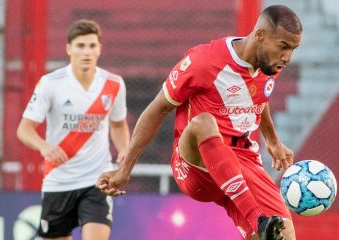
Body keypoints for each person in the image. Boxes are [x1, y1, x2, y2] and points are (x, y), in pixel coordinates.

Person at [97, 5, 301, 240]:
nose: (287, 57)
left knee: (284, 235)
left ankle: (260, 225)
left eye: (293, 49)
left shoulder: (270, 63)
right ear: (260, 35)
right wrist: (125, 170)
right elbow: (157, 108)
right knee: (204, 122)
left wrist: (272, 141)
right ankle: (258, 219)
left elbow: (257, 95)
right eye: (283, 47)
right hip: (196, 165)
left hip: (243, 159)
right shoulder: (204, 61)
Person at [17, 19, 130, 240]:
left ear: (99, 49)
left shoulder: (114, 84)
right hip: (59, 178)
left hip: (97, 179)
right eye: (80, 46)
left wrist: (125, 148)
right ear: (69, 49)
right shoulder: (51, 83)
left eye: (91, 45)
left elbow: (118, 125)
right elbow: (24, 129)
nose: (86, 52)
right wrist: (44, 147)